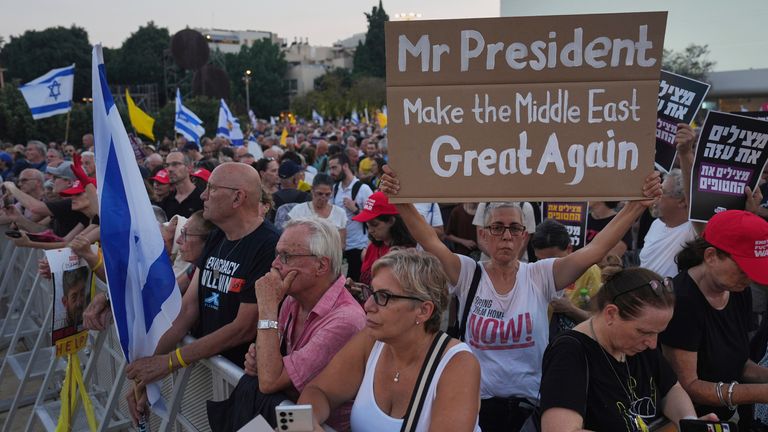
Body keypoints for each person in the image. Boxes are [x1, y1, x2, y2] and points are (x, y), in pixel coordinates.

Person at [380, 166, 661, 432]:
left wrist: (636, 207)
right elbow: (430, 240)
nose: (506, 236)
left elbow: (596, 249)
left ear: (524, 237)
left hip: (530, 409)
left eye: (514, 228)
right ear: (483, 235)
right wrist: (401, 201)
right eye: (497, 228)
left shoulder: (539, 275)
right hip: (475, 406)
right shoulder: (468, 273)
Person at [125, 162, 279, 423]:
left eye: (211, 188)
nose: (203, 196)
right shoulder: (218, 236)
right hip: (208, 371)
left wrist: (171, 362)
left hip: (242, 381)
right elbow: (187, 308)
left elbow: (243, 327)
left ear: (238, 197)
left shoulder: (269, 245)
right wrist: (147, 373)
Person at [297, 249, 482, 432]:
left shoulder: (457, 364)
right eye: (371, 292)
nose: (368, 305)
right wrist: (307, 423)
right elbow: (318, 392)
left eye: (383, 297)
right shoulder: (372, 340)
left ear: (423, 311)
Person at [209, 218, 366, 431]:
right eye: (277, 254)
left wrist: (266, 306)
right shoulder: (292, 299)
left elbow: (269, 381)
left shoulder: (345, 320)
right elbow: (266, 366)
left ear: (321, 265)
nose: (275, 264)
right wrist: (261, 360)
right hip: (292, 420)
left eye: (286, 256)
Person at [539, 268, 705, 432]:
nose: (653, 343)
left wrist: (690, 423)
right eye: (644, 332)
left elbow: (671, 389)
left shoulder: (639, 344)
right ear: (611, 314)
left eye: (658, 333)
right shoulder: (569, 352)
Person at [661, 210, 768, 422]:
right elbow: (687, 385)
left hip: (724, 416)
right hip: (689, 420)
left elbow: (737, 362)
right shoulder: (682, 301)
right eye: (743, 269)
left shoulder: (737, 290)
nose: (750, 279)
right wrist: (760, 393)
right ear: (710, 256)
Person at [531, 219, 602, 339]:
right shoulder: (531, 270)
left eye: (554, 260)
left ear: (569, 248)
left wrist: (570, 309)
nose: (547, 266)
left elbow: (599, 321)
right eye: (540, 260)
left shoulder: (589, 271)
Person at [351, 192, 416, 286]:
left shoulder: (407, 254)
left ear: (391, 221)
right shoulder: (373, 247)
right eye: (367, 224)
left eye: (374, 224)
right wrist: (358, 288)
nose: (370, 230)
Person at [329, 153, 373, 282]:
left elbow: (374, 219)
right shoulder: (334, 189)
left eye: (334, 168)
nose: (331, 172)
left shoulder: (363, 189)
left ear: (345, 166)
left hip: (358, 246)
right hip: (339, 246)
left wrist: (356, 210)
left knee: (355, 284)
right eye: (330, 168)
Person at [287, 173, 346, 246]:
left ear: (332, 192)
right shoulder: (298, 211)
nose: (323, 197)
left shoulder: (340, 213)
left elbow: (341, 244)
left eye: (327, 194)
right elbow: (289, 238)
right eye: (320, 194)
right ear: (312, 190)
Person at [175, 210, 215, 293]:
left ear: (207, 240)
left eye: (185, 234)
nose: (178, 240)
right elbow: (170, 293)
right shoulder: (195, 268)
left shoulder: (216, 273)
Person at [160, 151, 204, 218]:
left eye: (175, 164)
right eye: (167, 165)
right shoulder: (166, 201)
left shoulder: (202, 198)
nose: (169, 169)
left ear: (189, 167)